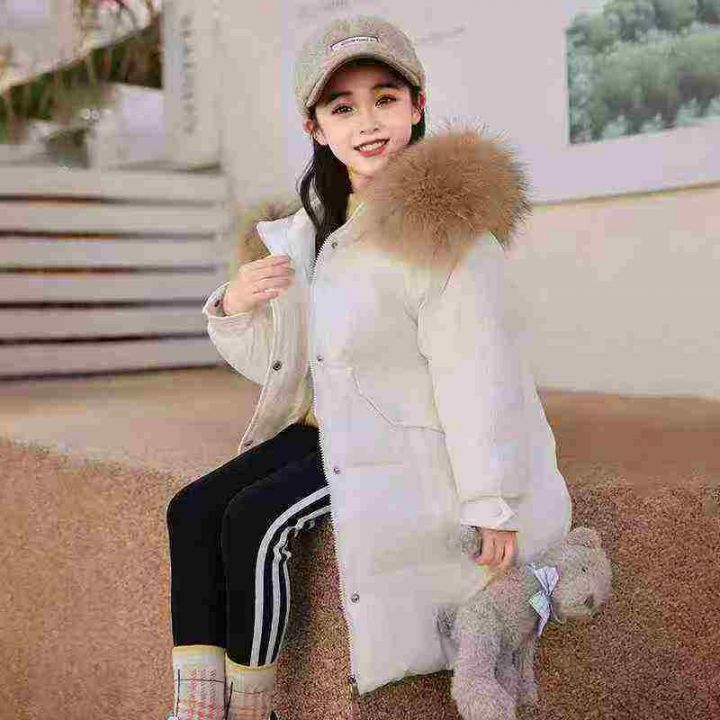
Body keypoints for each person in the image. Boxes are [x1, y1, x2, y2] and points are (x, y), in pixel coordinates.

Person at [164, 14, 572, 720]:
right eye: (342, 107)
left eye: (386, 98)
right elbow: (287, 366)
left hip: (398, 441)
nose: (368, 122)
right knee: (192, 509)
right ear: (316, 128)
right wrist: (234, 307)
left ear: (417, 105)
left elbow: (479, 375)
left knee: (255, 522)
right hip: (324, 427)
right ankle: (197, 708)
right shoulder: (312, 231)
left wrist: (490, 502)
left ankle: (249, 711)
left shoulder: (448, 235)